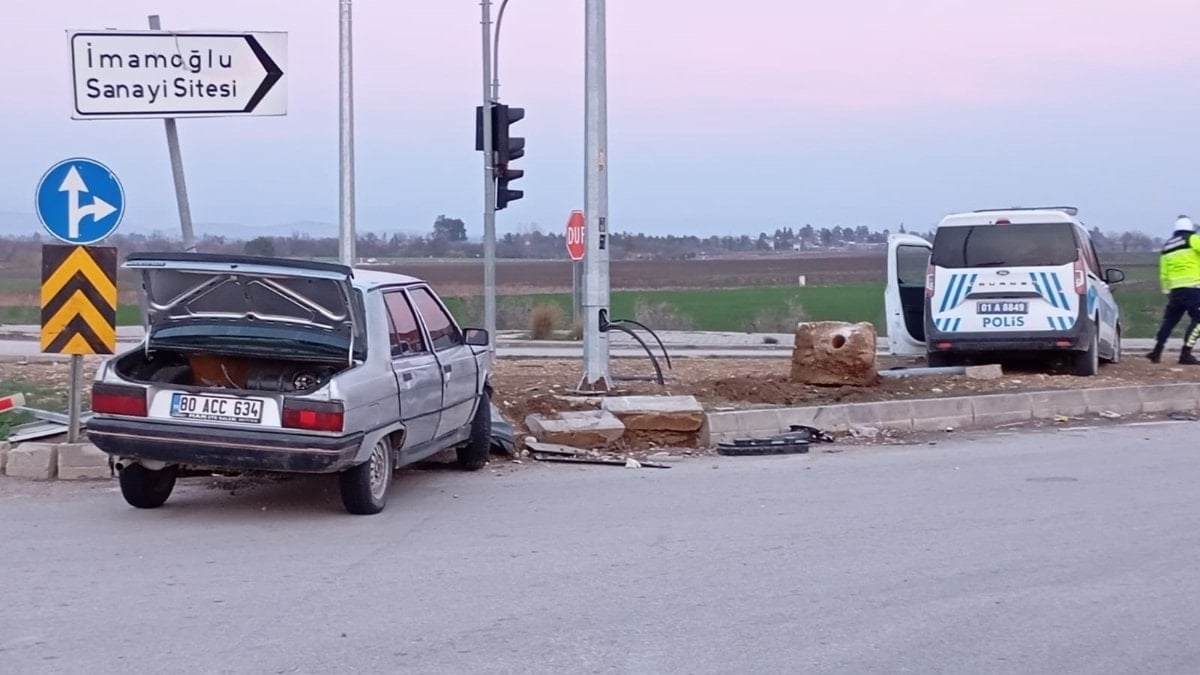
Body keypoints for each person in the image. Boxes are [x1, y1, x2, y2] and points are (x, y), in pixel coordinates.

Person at [1147, 215, 1200, 365]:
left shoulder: (1167, 246)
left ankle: (1156, 352)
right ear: (1190, 228)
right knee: (1198, 320)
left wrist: (1167, 291)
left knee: (1169, 321)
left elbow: (1164, 273)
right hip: (1194, 288)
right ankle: (1186, 353)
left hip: (1175, 291)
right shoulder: (1192, 239)